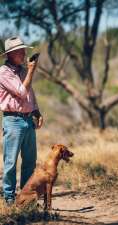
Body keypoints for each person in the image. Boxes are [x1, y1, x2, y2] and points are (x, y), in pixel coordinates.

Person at [0, 36, 43, 205]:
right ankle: (9, 199)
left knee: (30, 162)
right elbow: (21, 92)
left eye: (23, 50)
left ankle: (25, 198)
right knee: (10, 162)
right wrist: (31, 70)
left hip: (27, 119)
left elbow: (30, 94)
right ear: (9, 55)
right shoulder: (3, 72)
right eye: (19, 51)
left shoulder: (22, 70)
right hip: (13, 121)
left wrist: (36, 111)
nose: (23, 54)